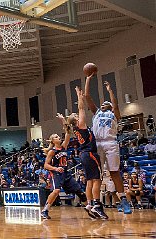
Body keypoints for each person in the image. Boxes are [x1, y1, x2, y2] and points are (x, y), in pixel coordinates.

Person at [85, 75, 132, 214]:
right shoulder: (97, 112)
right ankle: (96, 203)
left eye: (107, 103)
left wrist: (110, 91)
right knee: (97, 175)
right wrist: (88, 79)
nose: (104, 104)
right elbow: (87, 96)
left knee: (114, 172)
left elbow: (116, 105)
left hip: (111, 142)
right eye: (103, 103)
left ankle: (123, 200)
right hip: (98, 144)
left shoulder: (114, 114)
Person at [67, 86, 107, 219]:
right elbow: (81, 108)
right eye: (77, 116)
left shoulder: (77, 129)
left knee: (90, 181)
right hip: (90, 153)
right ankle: (97, 205)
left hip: (84, 155)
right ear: (76, 120)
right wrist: (79, 96)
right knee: (97, 180)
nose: (79, 116)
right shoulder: (81, 125)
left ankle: (89, 204)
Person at [40, 113, 87, 220]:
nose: (58, 137)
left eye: (58, 136)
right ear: (52, 141)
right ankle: (45, 210)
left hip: (66, 173)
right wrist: (55, 168)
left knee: (80, 192)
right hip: (56, 173)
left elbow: (68, 132)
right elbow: (46, 165)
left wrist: (63, 120)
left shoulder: (64, 147)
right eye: (56, 137)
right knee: (56, 191)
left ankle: (89, 207)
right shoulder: (52, 151)